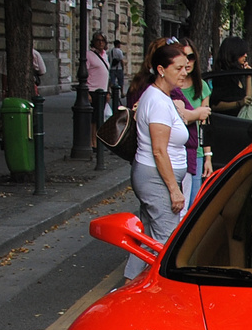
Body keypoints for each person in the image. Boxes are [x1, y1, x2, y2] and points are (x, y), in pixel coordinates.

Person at [126, 42, 194, 281]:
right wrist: (175, 190)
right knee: (168, 243)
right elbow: (159, 150)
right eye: (178, 68)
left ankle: (128, 289)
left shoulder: (161, 97)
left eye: (185, 67)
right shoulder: (156, 101)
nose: (184, 72)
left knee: (148, 240)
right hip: (157, 178)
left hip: (155, 176)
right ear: (161, 70)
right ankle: (161, 294)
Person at [177, 39, 213, 206]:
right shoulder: (170, 86)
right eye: (183, 56)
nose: (187, 62)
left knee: (192, 204)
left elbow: (204, 124)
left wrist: (208, 157)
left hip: (196, 153)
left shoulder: (202, 86)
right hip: (174, 151)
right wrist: (195, 114)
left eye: (191, 57)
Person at [208, 36, 252, 115]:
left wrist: (248, 76)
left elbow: (248, 99)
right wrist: (238, 103)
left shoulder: (237, 75)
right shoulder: (222, 77)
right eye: (242, 53)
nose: (246, 55)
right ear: (234, 53)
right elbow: (215, 105)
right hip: (228, 122)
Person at [85, 33, 111, 138]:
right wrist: (86, 93)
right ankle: (92, 141)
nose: (100, 43)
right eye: (98, 40)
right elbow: (84, 74)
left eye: (102, 41)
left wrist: (108, 91)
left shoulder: (105, 55)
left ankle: (97, 139)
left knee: (100, 118)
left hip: (103, 92)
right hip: (92, 90)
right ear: (94, 42)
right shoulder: (89, 55)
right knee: (93, 119)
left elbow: (107, 74)